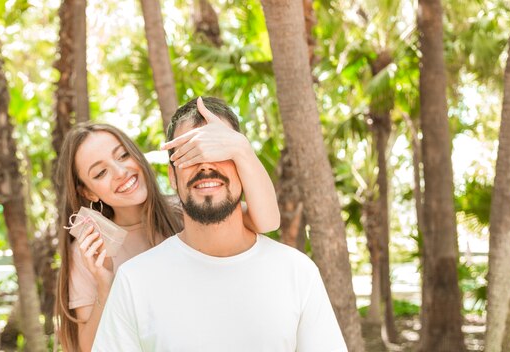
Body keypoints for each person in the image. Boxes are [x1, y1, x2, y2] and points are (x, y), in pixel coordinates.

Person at [92, 97, 347, 352]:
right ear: (172, 176)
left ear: (243, 165)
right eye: (189, 153)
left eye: (221, 150)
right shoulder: (134, 281)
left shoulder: (298, 273)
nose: (205, 164)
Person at [54, 107, 280, 351]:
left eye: (122, 156)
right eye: (100, 172)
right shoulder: (90, 253)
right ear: (88, 191)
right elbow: (87, 349)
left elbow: (267, 222)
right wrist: (104, 285)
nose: (120, 173)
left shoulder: (187, 211)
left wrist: (240, 148)